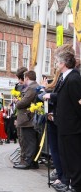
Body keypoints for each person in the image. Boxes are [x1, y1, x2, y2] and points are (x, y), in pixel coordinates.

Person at [43, 44, 81, 192]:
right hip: (63, 124)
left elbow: (78, 104)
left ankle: (76, 185)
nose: (56, 64)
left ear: (64, 63)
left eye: (58, 62)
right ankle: (69, 182)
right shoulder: (66, 77)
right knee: (65, 157)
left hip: (72, 126)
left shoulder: (74, 78)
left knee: (74, 157)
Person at [13, 70, 39, 170]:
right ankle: (30, 161)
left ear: (27, 77)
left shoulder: (32, 88)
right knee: (28, 140)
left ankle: (28, 161)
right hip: (28, 118)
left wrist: (17, 101)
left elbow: (22, 103)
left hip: (28, 119)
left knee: (28, 141)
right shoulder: (33, 87)